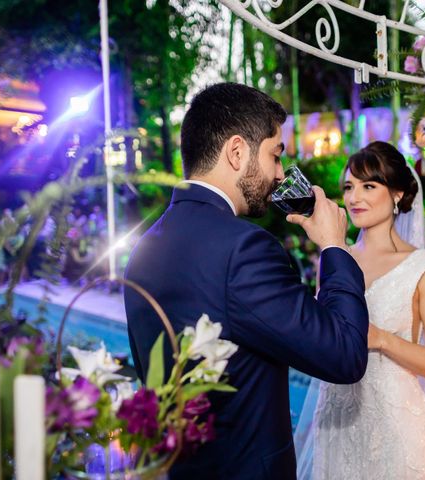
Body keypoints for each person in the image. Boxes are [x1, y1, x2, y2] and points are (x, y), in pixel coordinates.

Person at [124, 83, 369, 480]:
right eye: (275, 155)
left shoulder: (145, 247)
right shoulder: (246, 249)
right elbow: (344, 354)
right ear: (237, 152)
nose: (278, 175)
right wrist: (334, 247)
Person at [296, 141, 425, 479]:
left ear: (397, 193)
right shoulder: (335, 260)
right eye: (348, 187)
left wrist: (382, 339)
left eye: (368, 185)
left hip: (396, 431)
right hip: (336, 421)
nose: (354, 197)